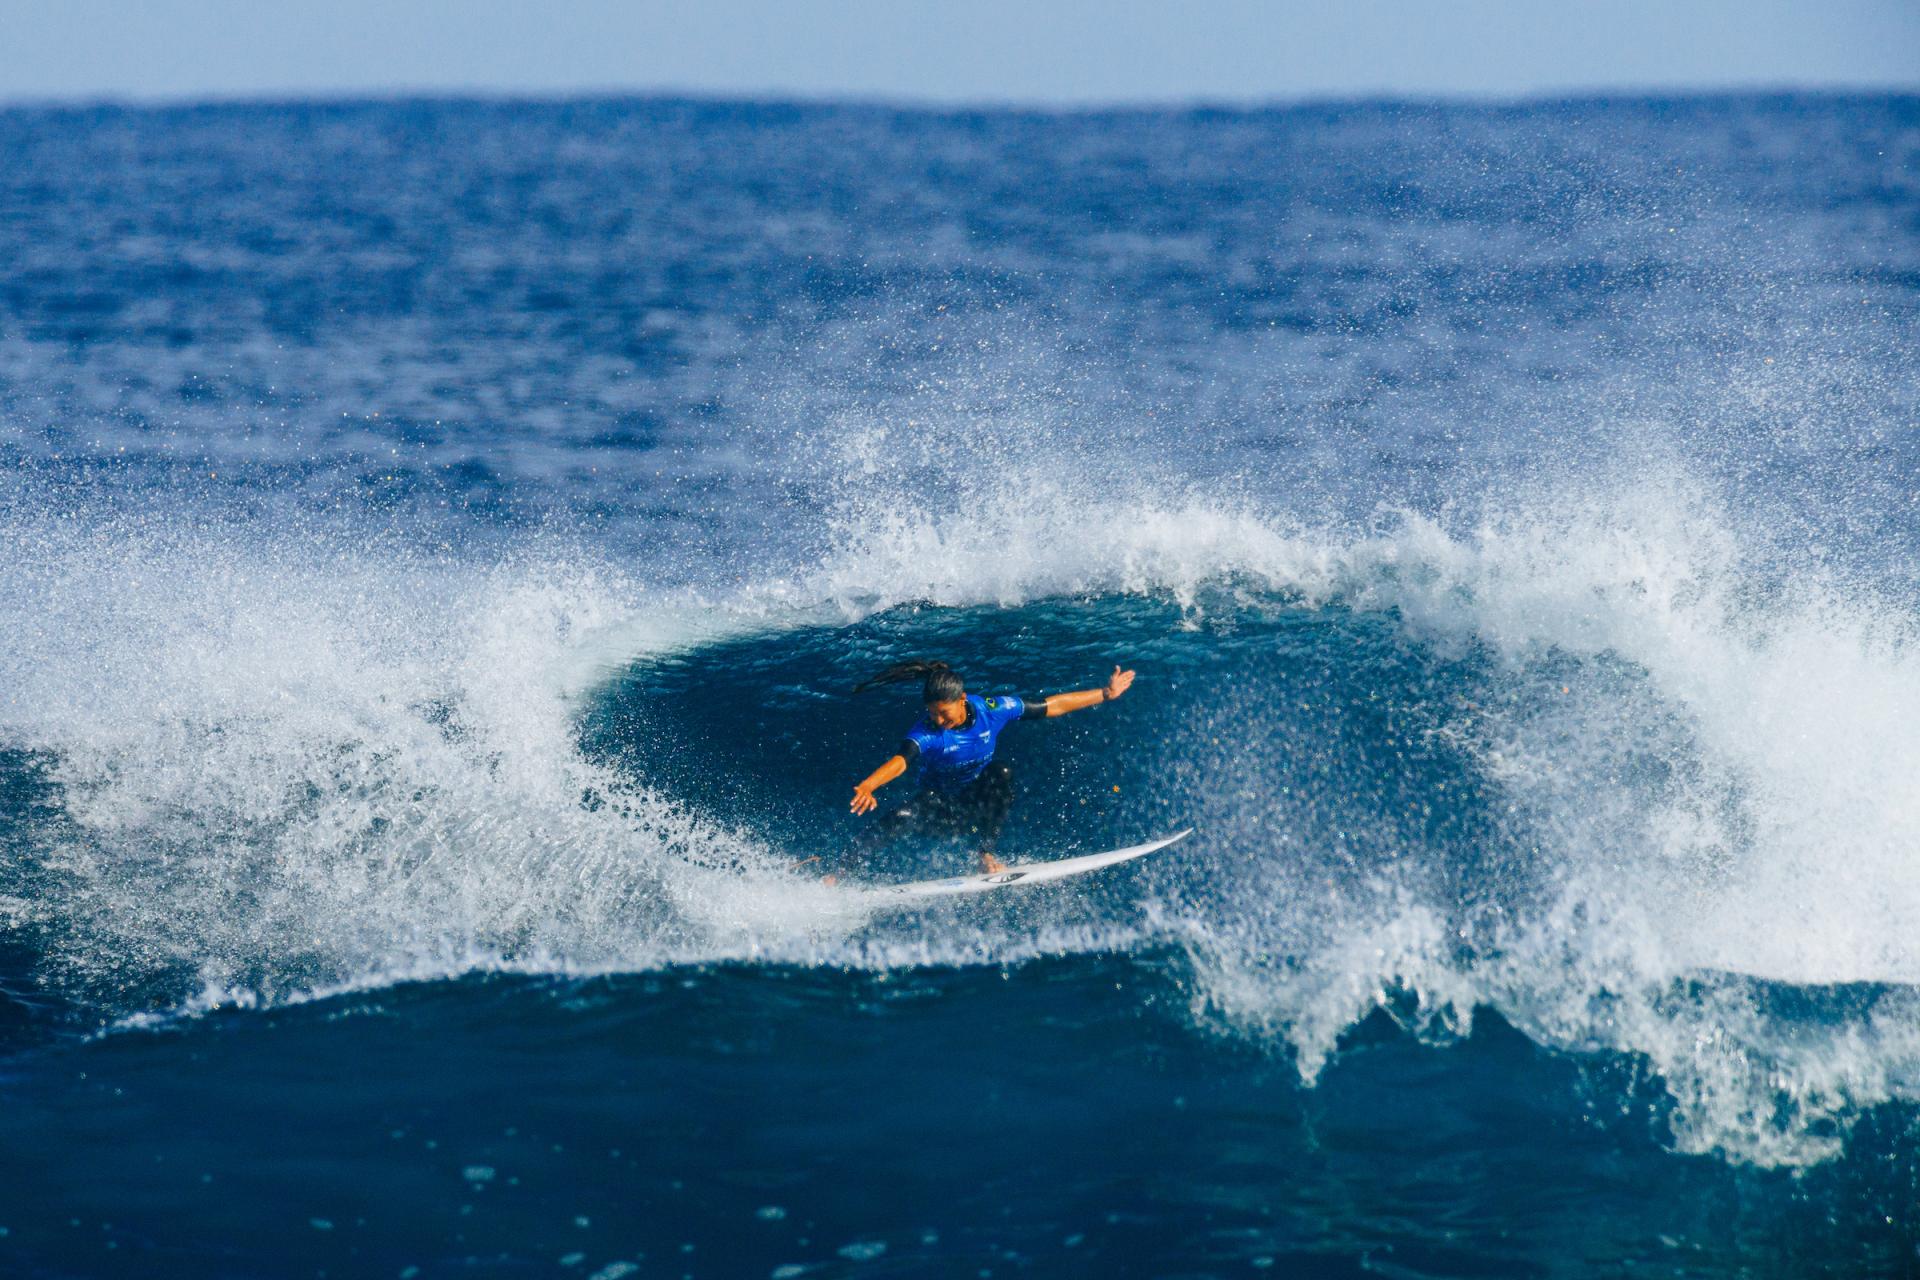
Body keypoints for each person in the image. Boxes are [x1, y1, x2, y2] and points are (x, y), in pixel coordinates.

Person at [830, 659, 1136, 882]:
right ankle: (838, 873)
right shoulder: (926, 732)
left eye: (943, 712)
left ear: (962, 700)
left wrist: (1105, 694)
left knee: (1001, 773)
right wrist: (869, 785)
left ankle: (985, 854)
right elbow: (901, 760)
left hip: (977, 806)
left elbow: (1049, 706)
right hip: (938, 808)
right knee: (900, 817)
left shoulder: (992, 709)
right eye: (932, 713)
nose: (937, 720)